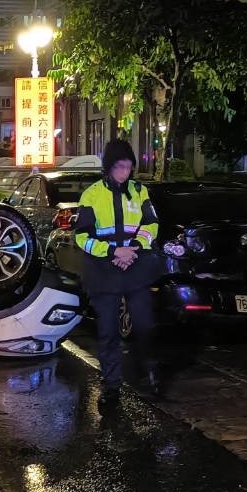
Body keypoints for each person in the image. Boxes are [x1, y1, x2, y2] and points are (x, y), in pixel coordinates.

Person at [74, 139, 164, 406]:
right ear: (108, 168)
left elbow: (152, 225)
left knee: (145, 324)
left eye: (129, 167)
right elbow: (82, 236)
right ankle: (111, 385)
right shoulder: (91, 194)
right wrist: (114, 252)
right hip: (104, 270)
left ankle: (148, 373)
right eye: (120, 167)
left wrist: (134, 248)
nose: (125, 173)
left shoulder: (140, 191)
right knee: (109, 331)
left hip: (136, 266)